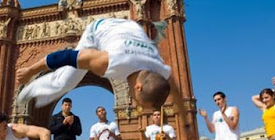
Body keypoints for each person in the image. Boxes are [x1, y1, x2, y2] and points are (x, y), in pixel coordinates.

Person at [16, 18, 172, 110]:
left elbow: (171, 89)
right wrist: (30, 71)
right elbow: (65, 56)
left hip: (129, 26)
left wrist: (184, 115)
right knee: (67, 80)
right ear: (138, 87)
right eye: (140, 103)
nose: (137, 106)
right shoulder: (111, 62)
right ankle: (31, 89)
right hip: (98, 31)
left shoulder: (161, 70)